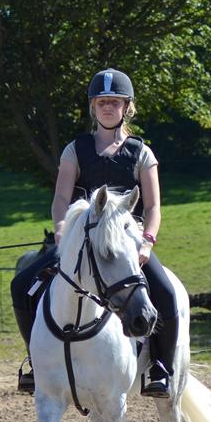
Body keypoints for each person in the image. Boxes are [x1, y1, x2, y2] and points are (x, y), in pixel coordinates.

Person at [10, 67, 178, 398]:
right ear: (93, 106)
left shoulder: (142, 153)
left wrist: (147, 243)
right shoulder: (75, 149)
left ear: (126, 106)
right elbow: (60, 198)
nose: (107, 107)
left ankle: (161, 368)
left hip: (127, 243)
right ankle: (36, 361)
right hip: (79, 240)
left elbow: (154, 207)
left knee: (168, 295)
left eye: (114, 102)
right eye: (101, 101)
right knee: (21, 286)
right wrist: (60, 229)